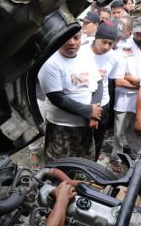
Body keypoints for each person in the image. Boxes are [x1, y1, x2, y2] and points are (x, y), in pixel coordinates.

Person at [38, 32, 103, 161]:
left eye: (76, 37)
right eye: (66, 38)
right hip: (62, 127)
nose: (72, 42)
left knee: (84, 166)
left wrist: (95, 112)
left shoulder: (85, 58)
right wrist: (89, 111)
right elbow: (57, 98)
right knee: (59, 169)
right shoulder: (50, 63)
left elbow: (99, 84)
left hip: (85, 125)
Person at [111, 16, 141, 169]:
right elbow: (119, 80)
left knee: (138, 129)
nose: (140, 37)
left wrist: (133, 80)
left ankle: (136, 154)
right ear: (132, 31)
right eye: (137, 34)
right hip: (124, 98)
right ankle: (116, 156)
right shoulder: (124, 49)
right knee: (119, 131)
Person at [80, 21, 120, 160]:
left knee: (98, 138)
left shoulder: (114, 57)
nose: (106, 47)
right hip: (82, 102)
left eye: (110, 43)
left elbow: (109, 80)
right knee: (80, 137)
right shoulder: (81, 52)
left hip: (102, 104)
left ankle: (92, 164)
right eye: (104, 42)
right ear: (96, 37)